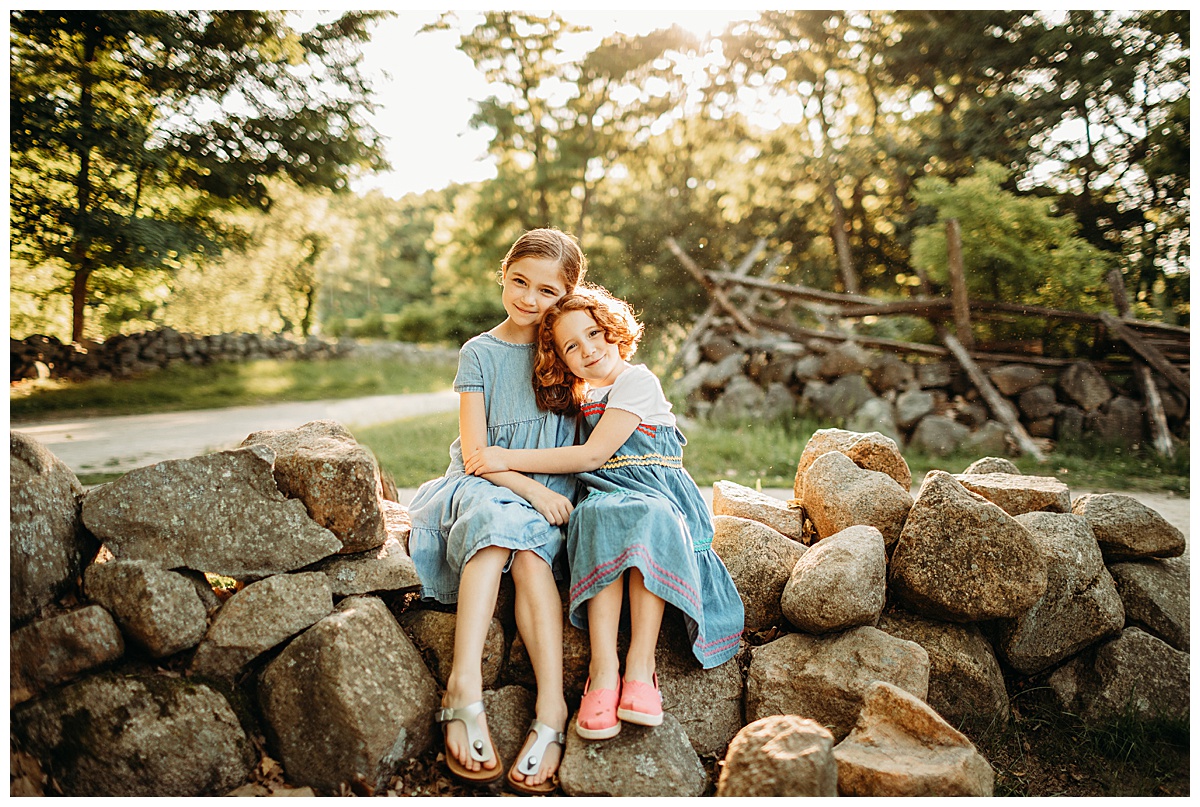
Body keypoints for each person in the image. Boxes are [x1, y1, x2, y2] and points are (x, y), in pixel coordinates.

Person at [464, 285, 744, 741]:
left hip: (654, 494)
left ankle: (640, 666)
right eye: (571, 346)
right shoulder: (583, 394)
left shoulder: (637, 382)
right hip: (605, 496)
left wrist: (505, 459)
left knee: (643, 518)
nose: (588, 349)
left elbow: (592, 455)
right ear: (561, 359)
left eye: (594, 333)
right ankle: (603, 668)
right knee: (595, 518)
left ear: (614, 331)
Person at [407, 228, 585, 794]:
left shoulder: (571, 347)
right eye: (519, 282)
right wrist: (533, 492)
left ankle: (551, 709)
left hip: (551, 488)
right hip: (487, 482)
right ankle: (463, 688)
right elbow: (479, 455)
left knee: (532, 558)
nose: (531, 300)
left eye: (548, 292)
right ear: (503, 275)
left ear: (568, 295)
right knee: (496, 524)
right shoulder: (479, 353)